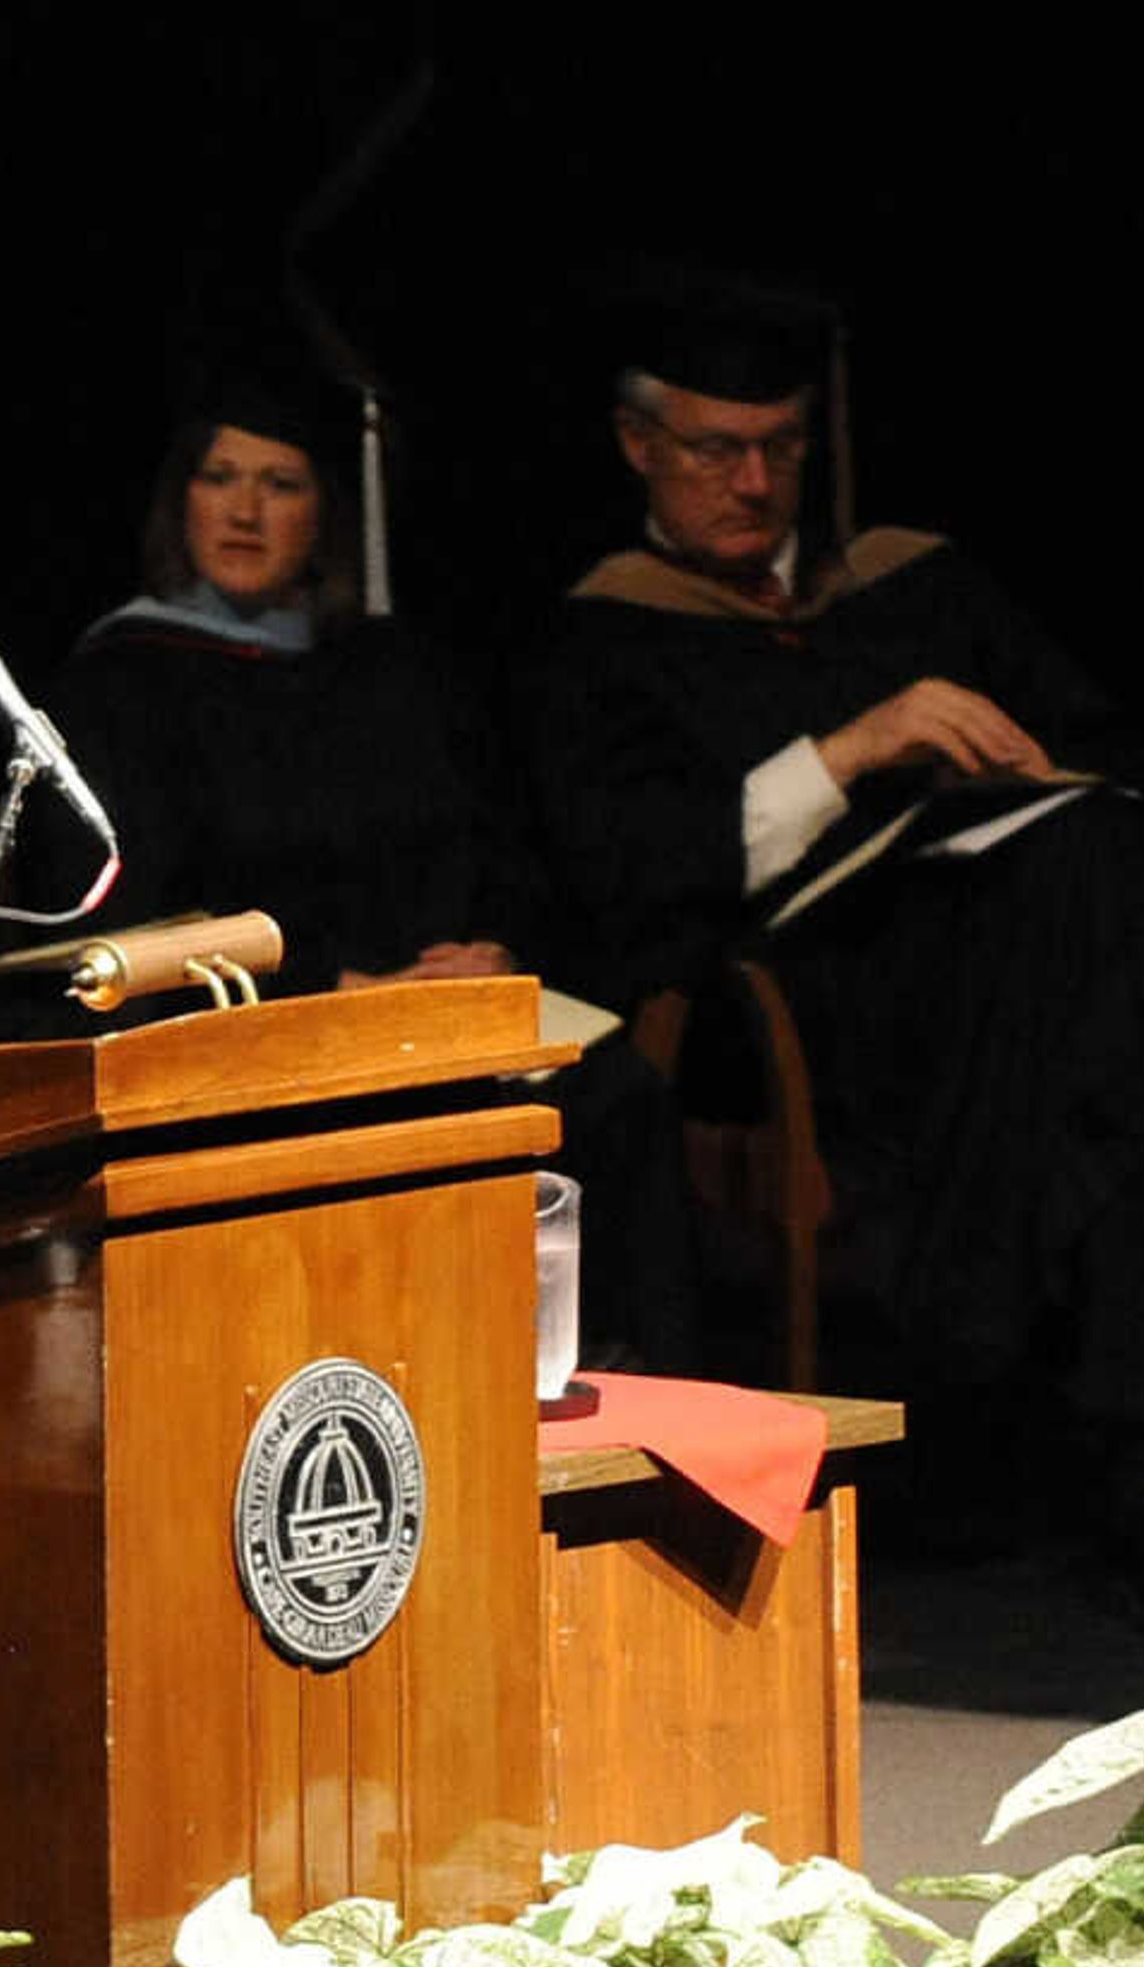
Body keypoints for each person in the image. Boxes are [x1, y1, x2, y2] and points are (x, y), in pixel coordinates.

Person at [520, 290, 1144, 1634]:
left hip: (1030, 1015)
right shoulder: (601, 641)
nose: (754, 482)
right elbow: (628, 880)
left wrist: (1044, 791)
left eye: (781, 446)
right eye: (714, 448)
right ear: (638, 446)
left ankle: (1141, 1472)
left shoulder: (914, 582)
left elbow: (1125, 762)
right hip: (824, 1028)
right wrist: (853, 751)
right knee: (1101, 951)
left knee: (1085, 868)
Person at [34, 365, 689, 1365]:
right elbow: (136, 922)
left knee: (620, 1098)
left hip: (444, 1016)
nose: (246, 511)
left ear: (326, 513)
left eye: (282, 484)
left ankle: (631, 1410)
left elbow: (508, 843)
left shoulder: (398, 669)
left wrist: (496, 946)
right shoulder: (118, 684)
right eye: (221, 478)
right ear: (182, 498)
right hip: (266, 1029)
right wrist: (335, 984)